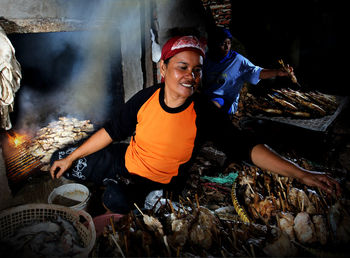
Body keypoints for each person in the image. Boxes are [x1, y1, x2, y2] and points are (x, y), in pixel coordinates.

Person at [50, 35, 340, 214]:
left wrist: (301, 174)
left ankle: (138, 195)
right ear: (163, 69)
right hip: (126, 161)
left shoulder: (203, 112)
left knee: (115, 200)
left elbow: (246, 147)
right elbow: (112, 131)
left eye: (197, 70)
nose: (191, 76)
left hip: (158, 181)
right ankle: (112, 180)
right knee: (61, 159)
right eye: (182, 67)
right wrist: (74, 156)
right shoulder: (146, 98)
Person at [202, 27, 294, 114]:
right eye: (223, 44)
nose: (227, 47)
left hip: (225, 101)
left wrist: (277, 72)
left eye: (229, 43)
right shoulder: (206, 59)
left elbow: (257, 72)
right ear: (214, 44)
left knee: (211, 106)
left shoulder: (238, 60)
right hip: (206, 97)